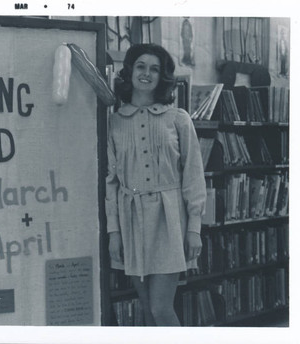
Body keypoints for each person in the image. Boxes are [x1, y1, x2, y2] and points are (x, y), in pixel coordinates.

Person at [106, 43, 206, 326]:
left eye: (154, 69)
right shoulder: (114, 122)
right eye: (140, 66)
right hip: (131, 220)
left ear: (162, 77)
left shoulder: (178, 119)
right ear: (129, 71)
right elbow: (110, 182)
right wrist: (114, 232)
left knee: (162, 308)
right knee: (148, 309)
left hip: (170, 220)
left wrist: (194, 229)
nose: (146, 74)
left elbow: (194, 175)